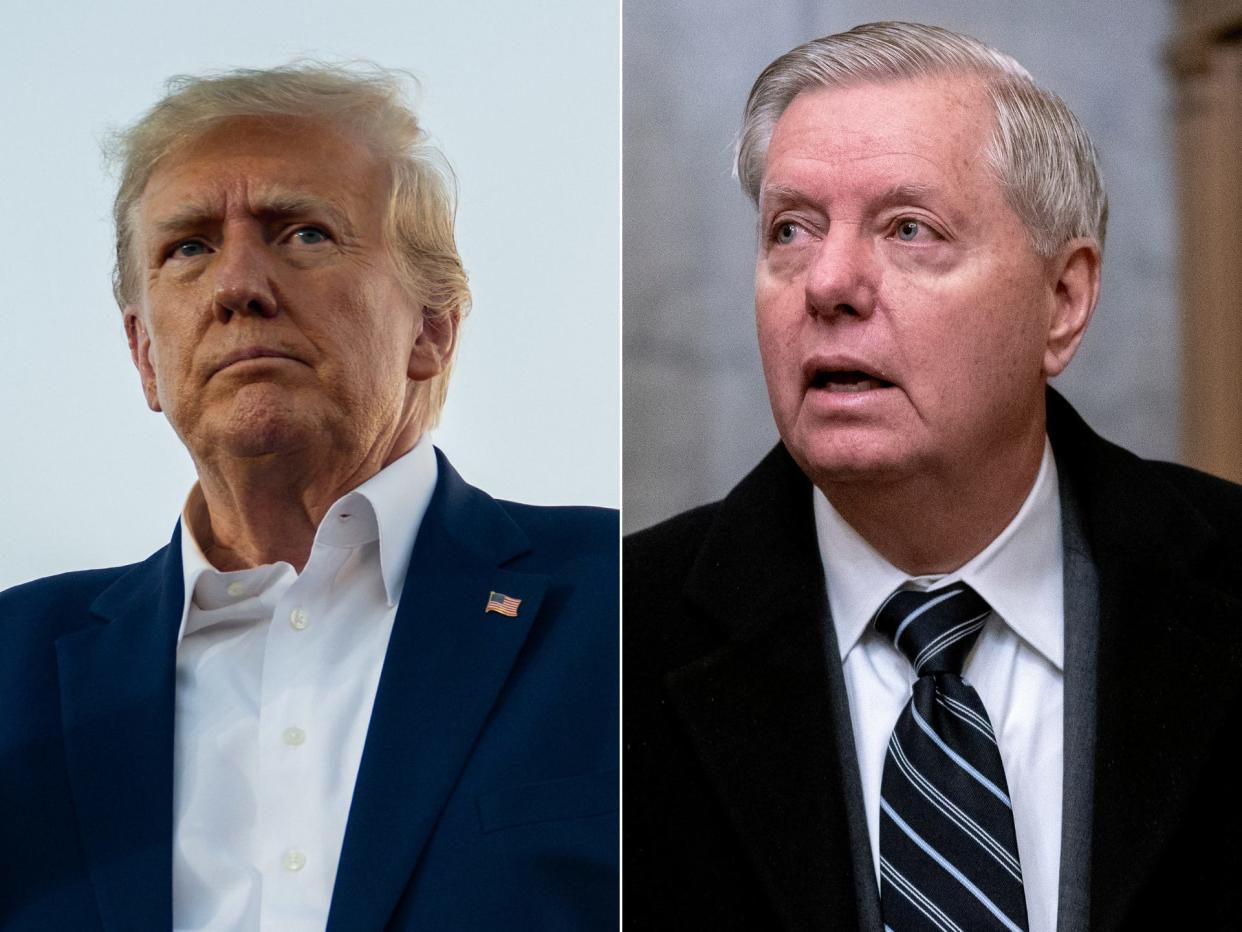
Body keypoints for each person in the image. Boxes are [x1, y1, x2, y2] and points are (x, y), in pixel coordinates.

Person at [624, 21, 1242, 931]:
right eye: (789, 230)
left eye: (909, 230)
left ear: (1062, 301)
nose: (827, 282)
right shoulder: (621, 637)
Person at [0, 64, 617, 931]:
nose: (238, 286)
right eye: (188, 247)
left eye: (304, 235)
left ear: (432, 327)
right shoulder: (13, 669)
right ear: (144, 354)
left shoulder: (620, 602)